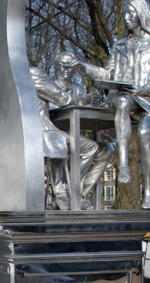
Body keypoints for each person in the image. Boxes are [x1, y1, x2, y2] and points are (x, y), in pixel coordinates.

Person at [70, 0, 150, 209]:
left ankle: (149, 192)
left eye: (130, 13)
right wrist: (83, 66)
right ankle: (123, 164)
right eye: (124, 14)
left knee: (144, 132)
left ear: (141, 14)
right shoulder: (120, 45)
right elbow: (108, 73)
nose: (126, 18)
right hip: (129, 94)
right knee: (123, 102)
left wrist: (148, 88)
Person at [27, 42, 112, 210]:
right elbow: (60, 100)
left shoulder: (78, 88)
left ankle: (77, 193)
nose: (65, 70)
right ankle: (67, 195)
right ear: (56, 67)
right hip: (50, 131)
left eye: (70, 66)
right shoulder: (41, 78)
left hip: (64, 132)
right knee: (90, 147)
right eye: (62, 66)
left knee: (106, 150)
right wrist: (82, 100)